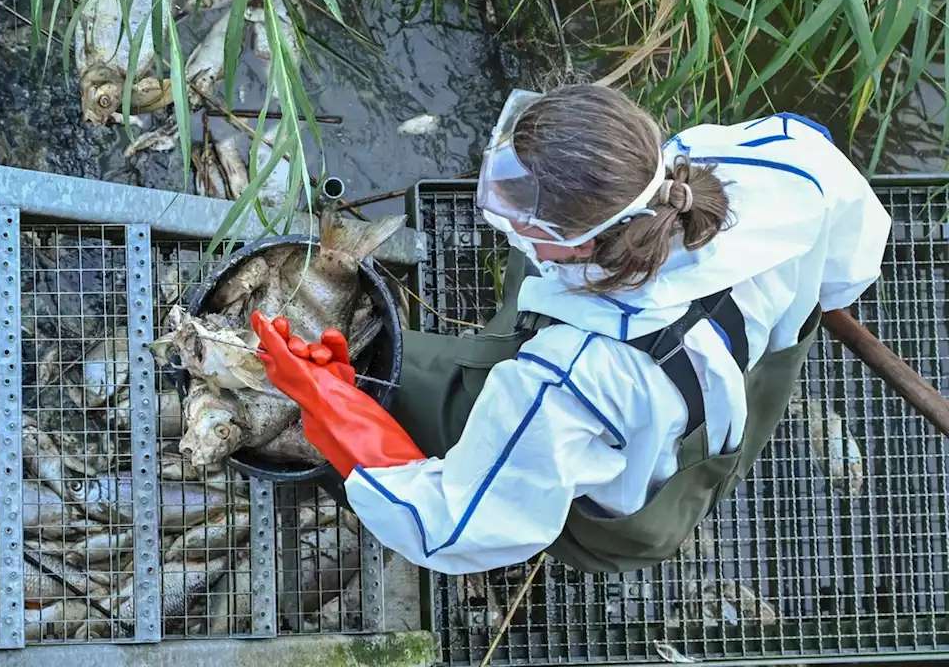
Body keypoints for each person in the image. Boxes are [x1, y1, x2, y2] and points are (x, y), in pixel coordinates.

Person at [249, 84, 893, 576]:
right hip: (742, 392)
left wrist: (329, 403)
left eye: (524, 222)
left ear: (579, 246)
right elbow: (851, 261)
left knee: (394, 377)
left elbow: (447, 525)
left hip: (632, 516)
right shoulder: (781, 166)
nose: (512, 227)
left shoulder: (562, 383)